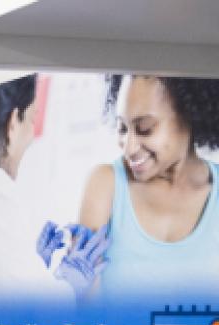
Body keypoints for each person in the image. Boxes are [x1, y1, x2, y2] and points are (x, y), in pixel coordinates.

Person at [77, 75, 219, 301]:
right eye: (122, 128)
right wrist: (78, 287)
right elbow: (89, 320)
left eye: (144, 129)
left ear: (190, 115)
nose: (129, 147)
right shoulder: (105, 185)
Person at [0, 75, 77, 304]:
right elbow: (41, 309)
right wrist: (71, 281)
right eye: (32, 120)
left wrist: (31, 264)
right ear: (13, 124)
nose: (32, 135)